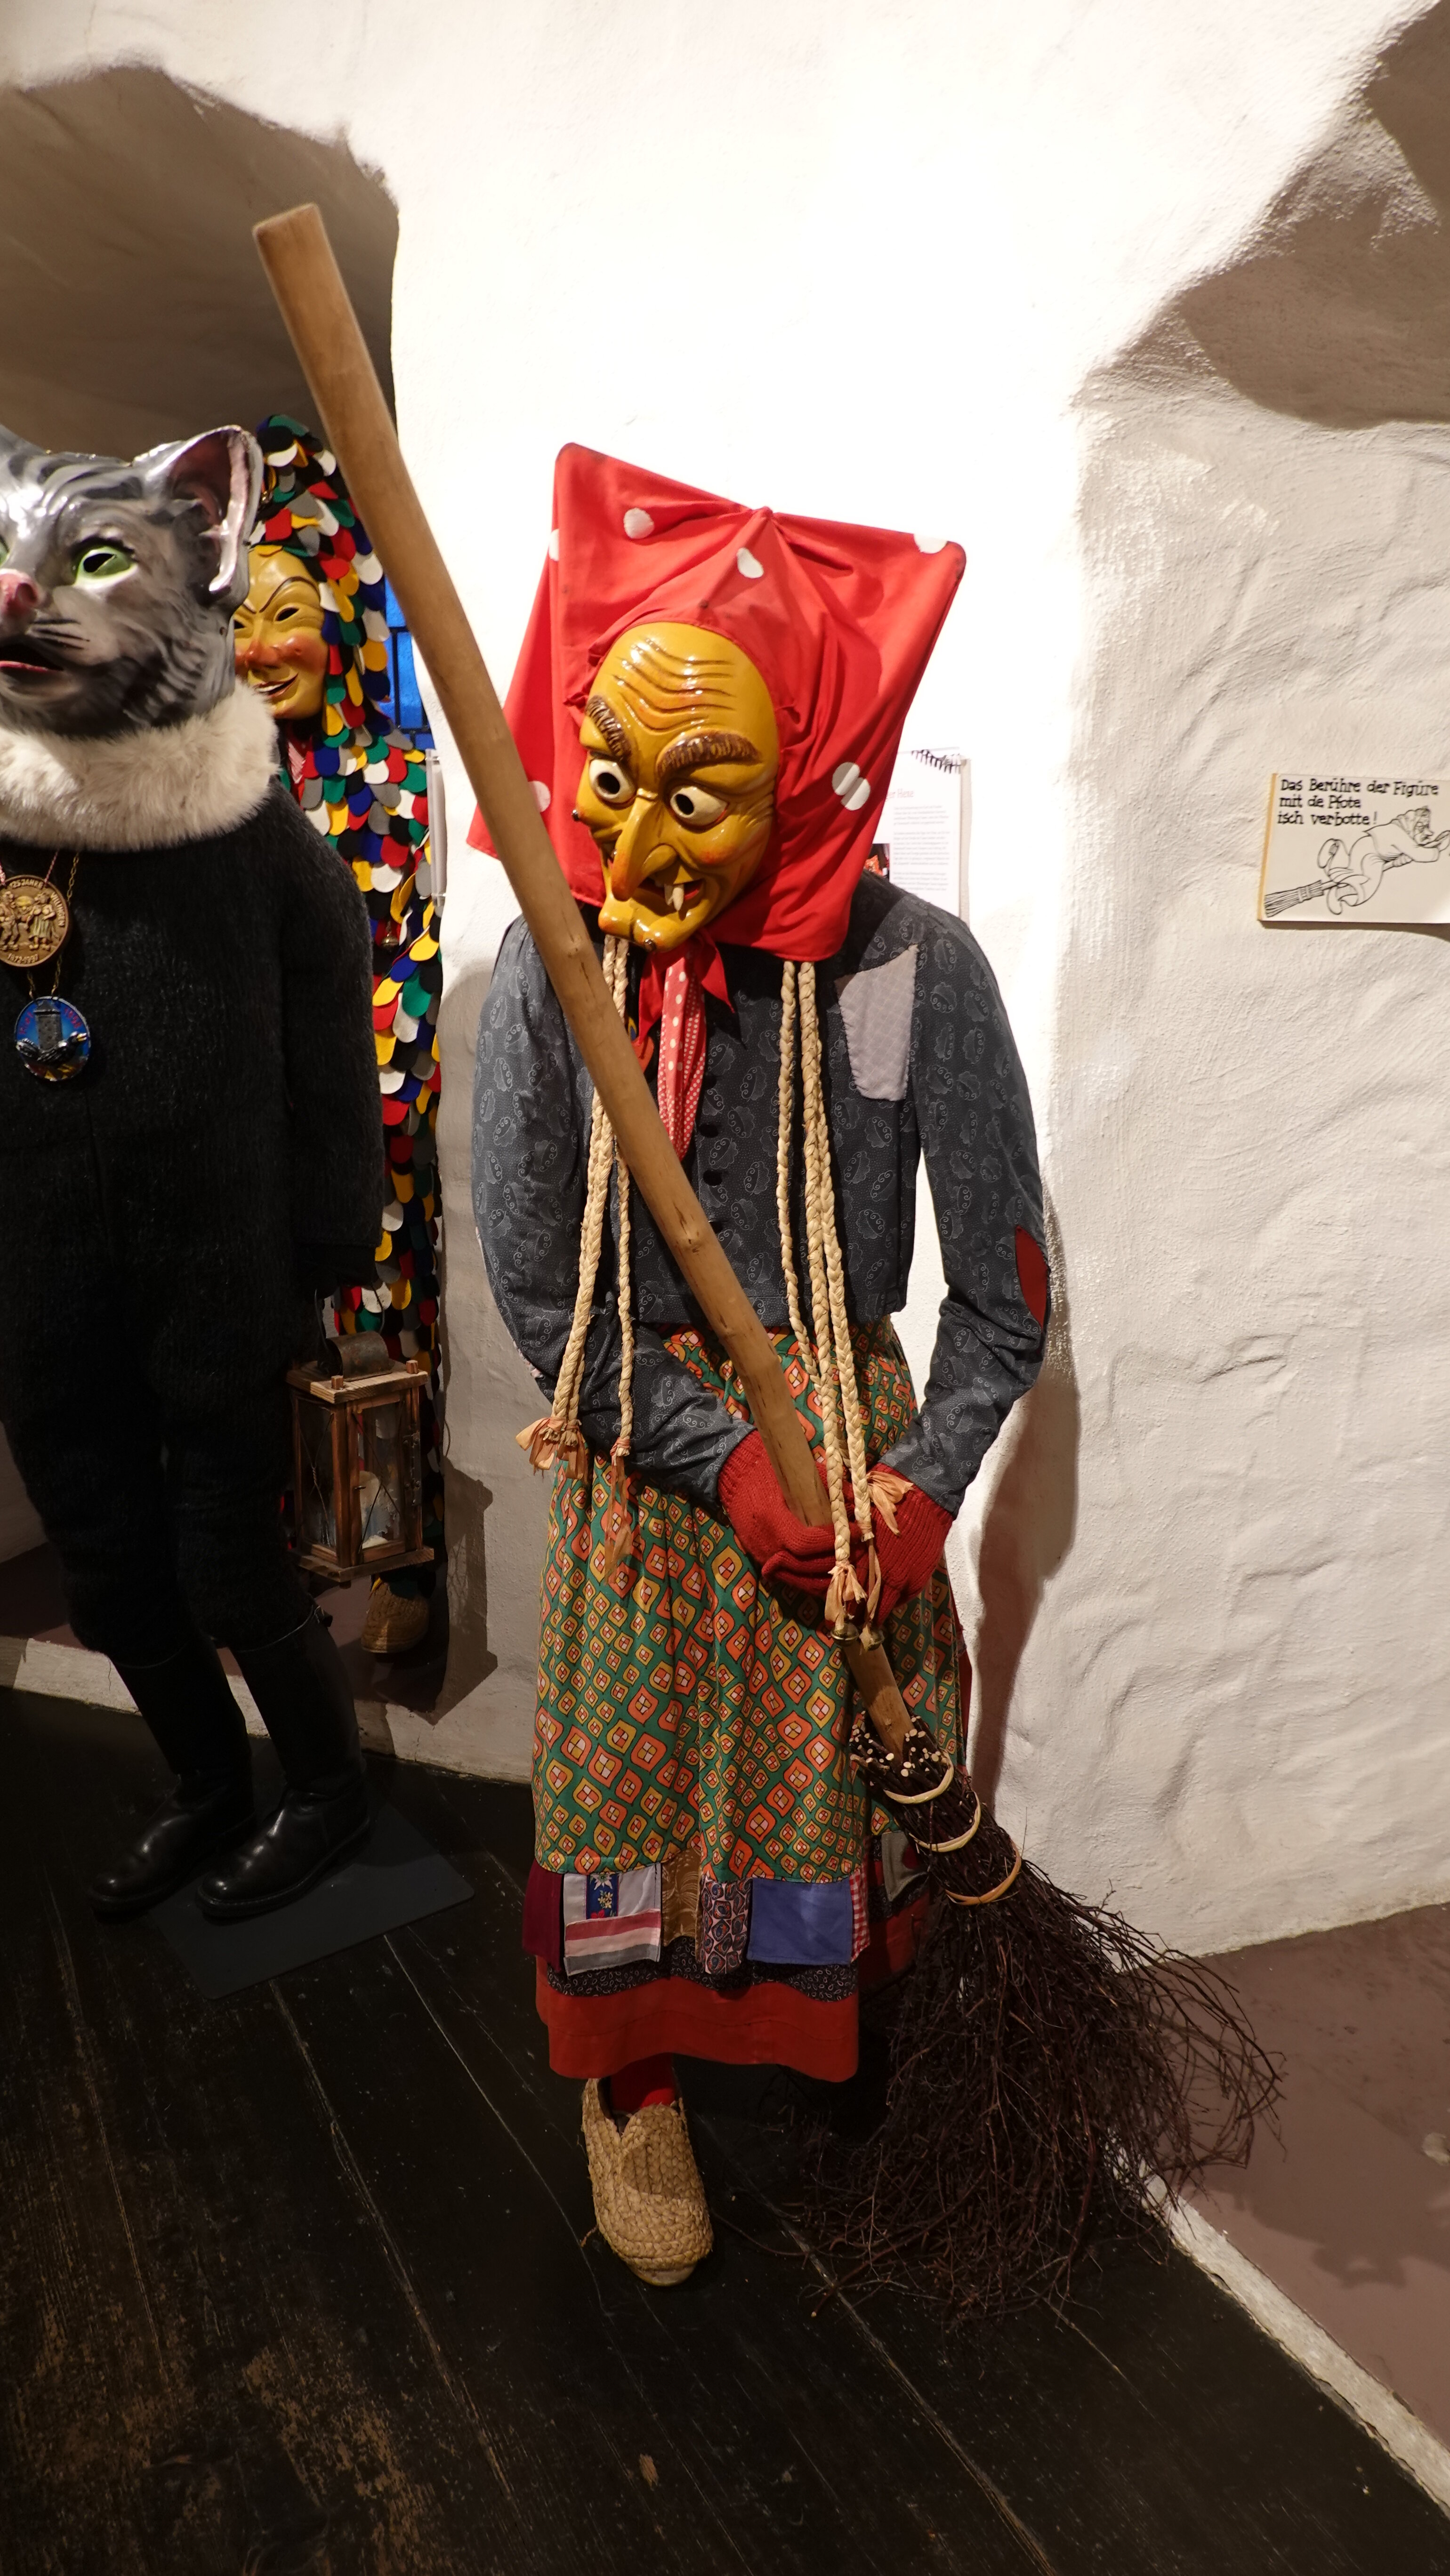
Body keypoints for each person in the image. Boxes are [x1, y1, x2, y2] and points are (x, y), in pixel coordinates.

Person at [472, 447, 1048, 2283]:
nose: (640, 841)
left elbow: (1005, 1297)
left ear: (802, 774)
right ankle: (629, 2079)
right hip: (652, 1482)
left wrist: (925, 1490)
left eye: (702, 788)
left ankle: (823, 2030)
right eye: (613, 775)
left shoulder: (909, 973)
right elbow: (536, 1284)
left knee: (824, 1791)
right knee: (629, 1791)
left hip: (852, 1481)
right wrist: (715, 1454)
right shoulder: (552, 972)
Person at [0, 417, 383, 1923]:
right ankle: (206, 1784)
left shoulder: (254, 836)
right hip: (38, 1261)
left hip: (220, 1262)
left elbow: (332, 1052)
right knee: (103, 1554)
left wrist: (331, 1240)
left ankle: (330, 1793)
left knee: (233, 1555)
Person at [234, 417, 445, 1658]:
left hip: (368, 1118)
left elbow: (404, 962)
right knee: (256, 1340)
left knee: (382, 1329)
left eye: (289, 612)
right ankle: (271, 1556)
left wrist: (361, 1116)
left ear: (348, 620)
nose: (263, 647)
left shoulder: (396, 782)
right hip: (242, 1120)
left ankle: (405, 1563)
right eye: (239, 619)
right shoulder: (216, 789)